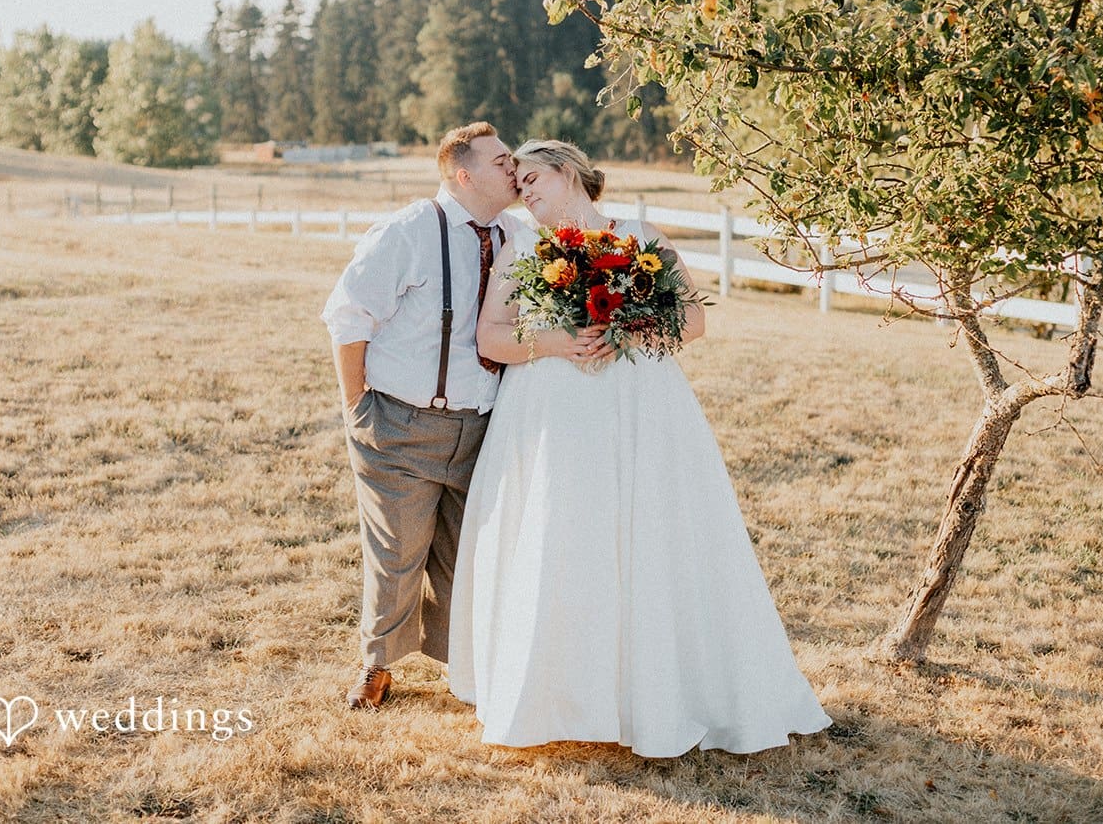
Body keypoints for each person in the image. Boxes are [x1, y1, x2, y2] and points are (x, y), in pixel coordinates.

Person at [447, 138, 832, 756]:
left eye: (533, 177)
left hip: (640, 408)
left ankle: (654, 693)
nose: (525, 190)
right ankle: (556, 694)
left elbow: (695, 320)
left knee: (649, 533)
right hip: (550, 412)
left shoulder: (639, 235)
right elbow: (491, 338)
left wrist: (621, 325)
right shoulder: (519, 245)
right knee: (563, 532)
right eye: (517, 182)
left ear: (569, 172)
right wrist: (557, 341)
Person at [321, 122, 526, 709]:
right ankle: (377, 664)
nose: (513, 168)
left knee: (471, 554)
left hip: (486, 427)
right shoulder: (409, 231)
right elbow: (348, 316)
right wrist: (356, 405)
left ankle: (468, 665)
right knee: (397, 552)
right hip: (401, 425)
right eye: (501, 160)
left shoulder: (516, 237)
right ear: (465, 174)